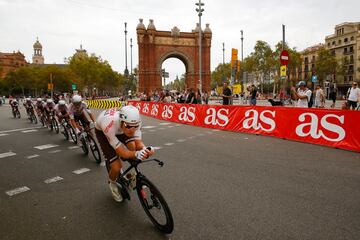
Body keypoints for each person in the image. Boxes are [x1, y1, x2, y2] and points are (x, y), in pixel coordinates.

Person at [95, 105, 155, 202]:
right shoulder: (109, 124)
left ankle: (133, 175)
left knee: (133, 147)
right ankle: (112, 183)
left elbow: (138, 143)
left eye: (135, 126)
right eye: (128, 126)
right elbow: (123, 153)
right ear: (121, 121)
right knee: (116, 166)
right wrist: (135, 154)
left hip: (120, 130)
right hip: (104, 131)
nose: (132, 130)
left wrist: (145, 149)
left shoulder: (134, 122)